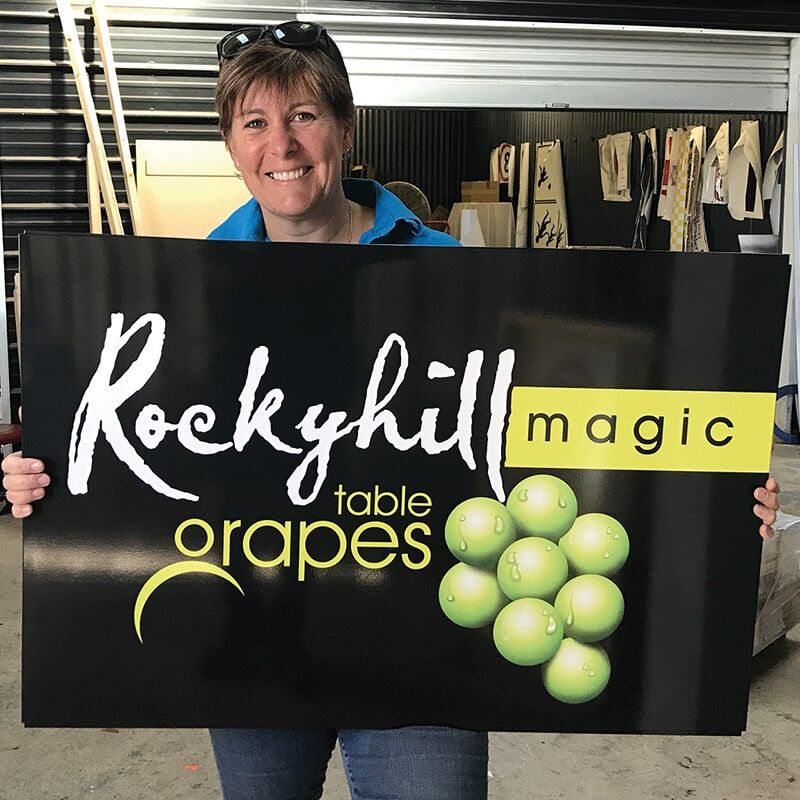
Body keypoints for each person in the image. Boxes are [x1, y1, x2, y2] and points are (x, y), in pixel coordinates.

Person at [1, 19, 782, 800]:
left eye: (304, 115)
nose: (283, 145)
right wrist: (55, 482)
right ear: (232, 145)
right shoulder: (186, 291)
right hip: (255, 634)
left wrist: (712, 489)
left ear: (344, 126)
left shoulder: (450, 273)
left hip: (422, 639)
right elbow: (150, 453)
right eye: (255, 123)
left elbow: (543, 440)